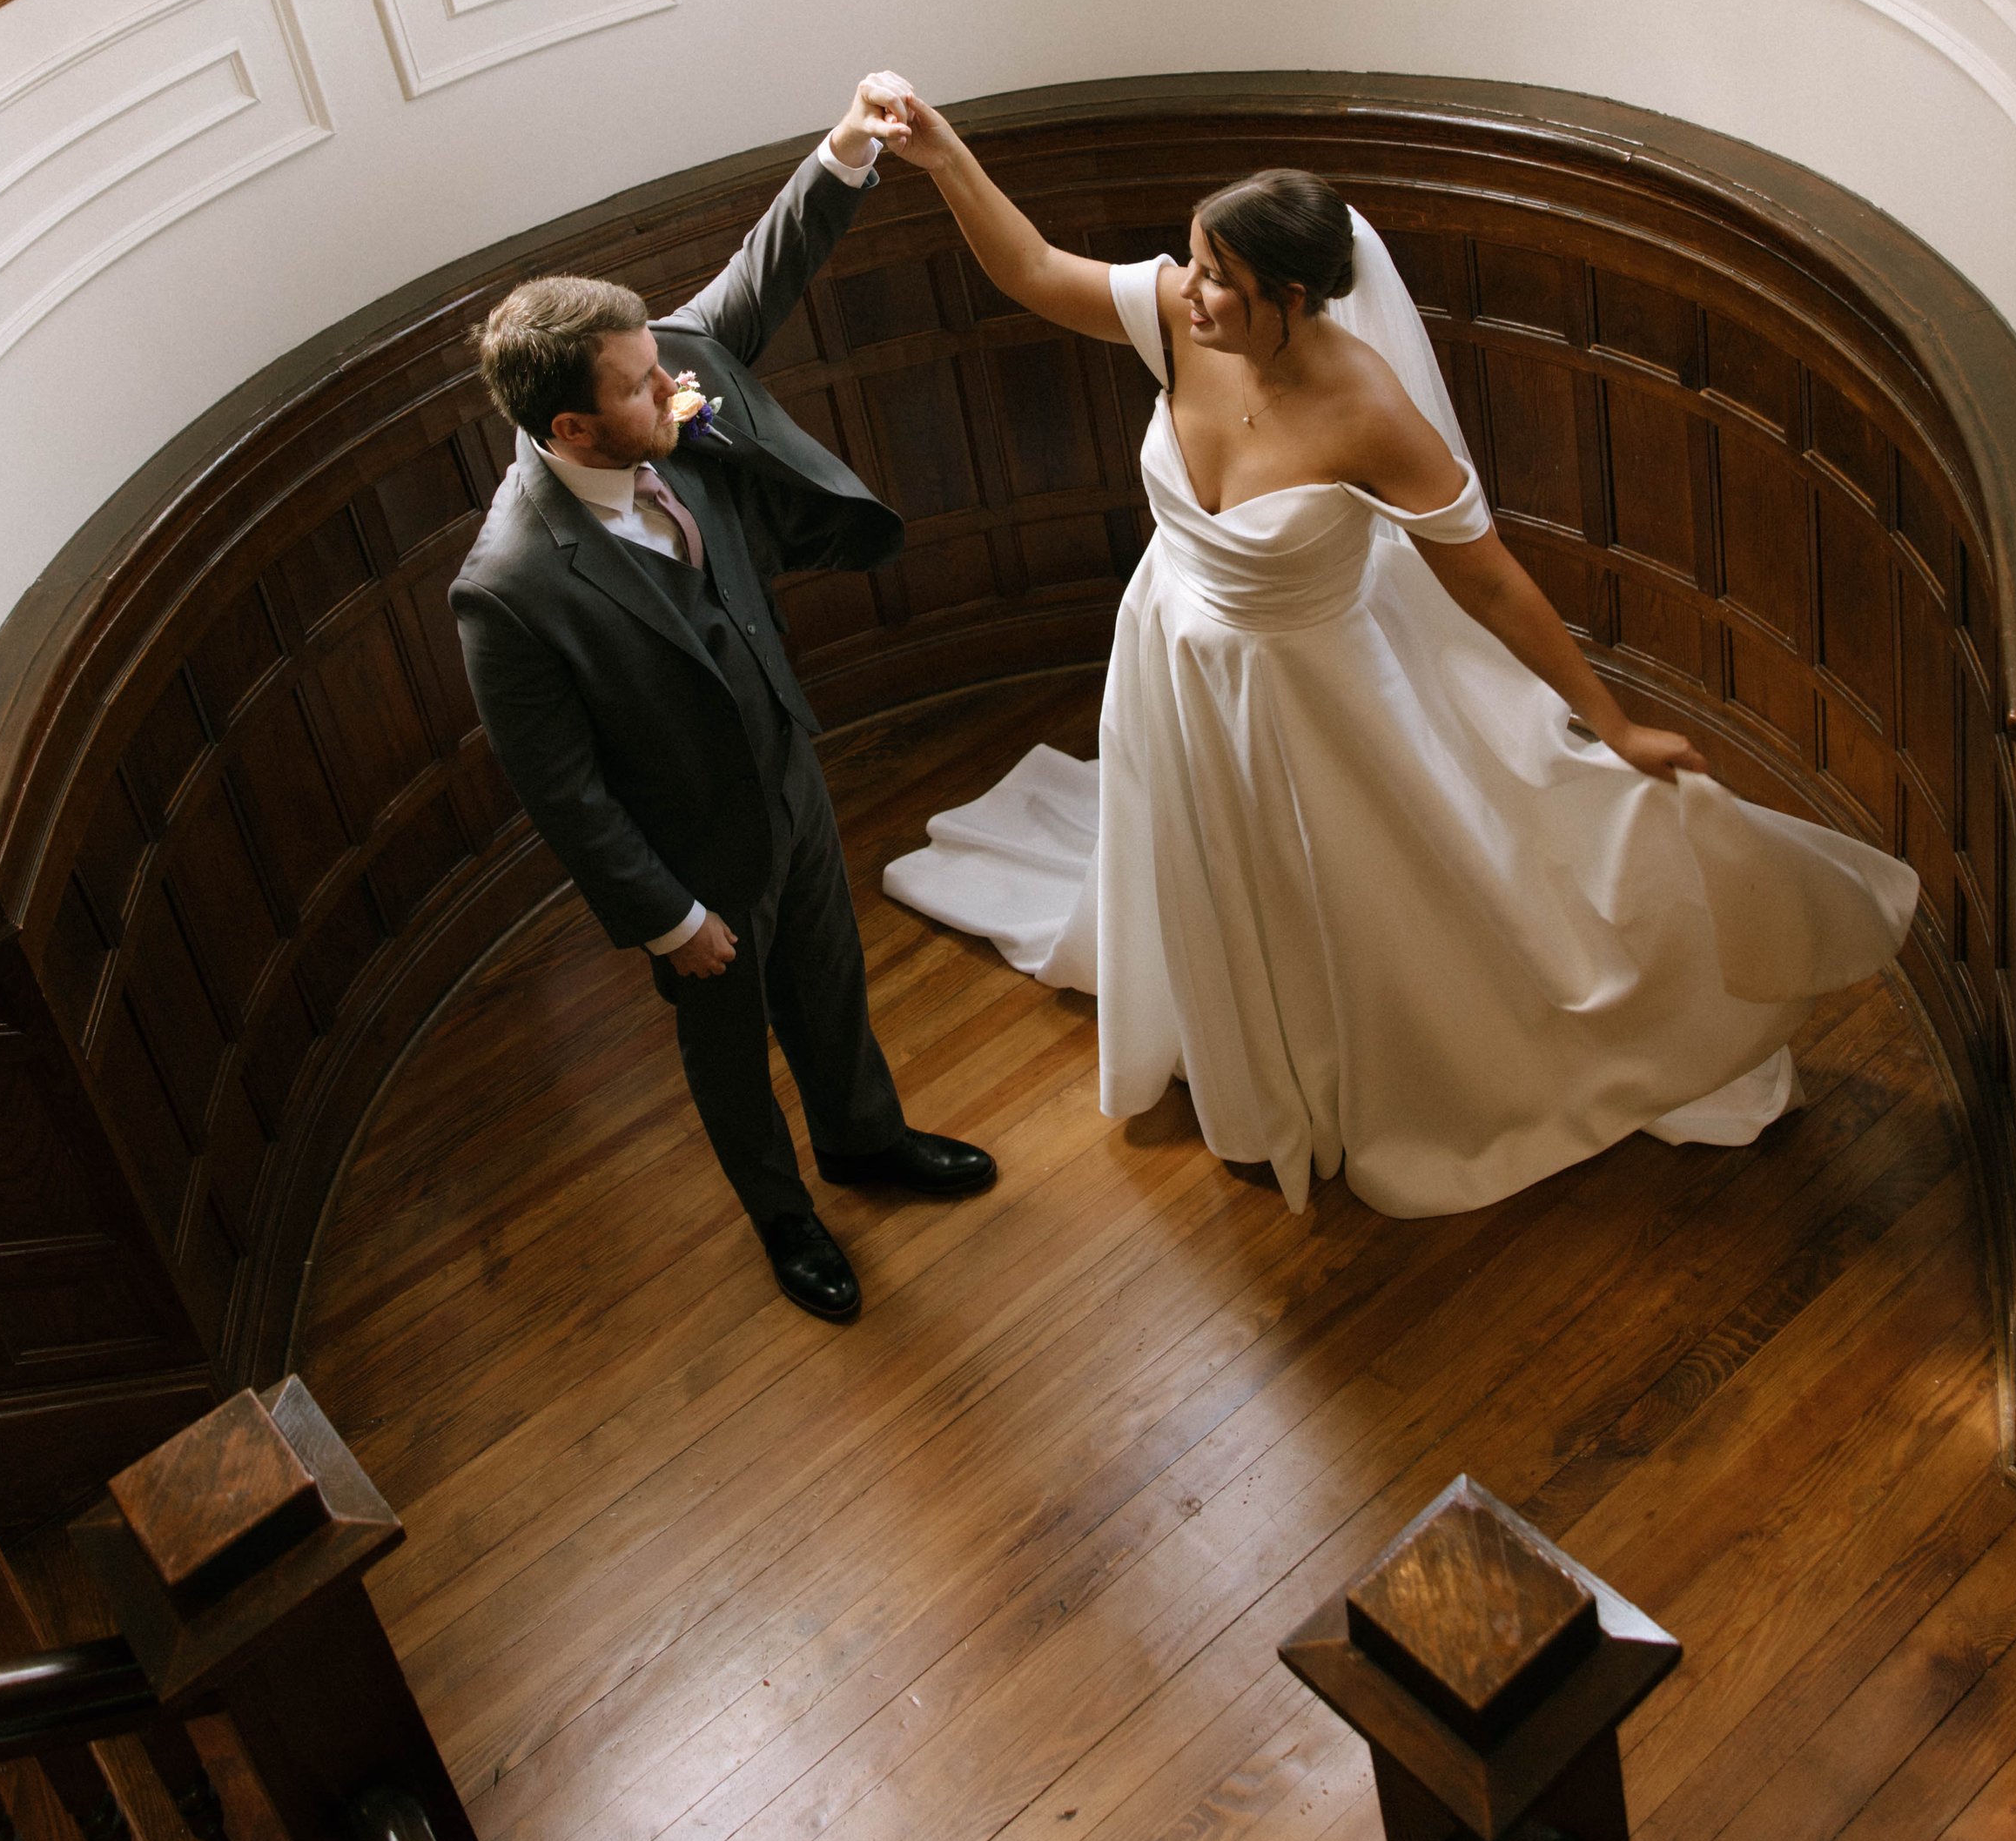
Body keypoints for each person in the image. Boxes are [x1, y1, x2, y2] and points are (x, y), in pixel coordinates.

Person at [879, 100, 1917, 1219]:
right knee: (1211, 864)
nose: (1189, 286)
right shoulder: (1184, 316)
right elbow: (1032, 268)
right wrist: (946, 161)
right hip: (1171, 666)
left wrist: (1609, 721)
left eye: (1220, 275)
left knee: (1336, 893)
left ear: (1294, 298)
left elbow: (1488, 577)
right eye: (1190, 260)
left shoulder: (1369, 411)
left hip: (1307, 704)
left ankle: (1334, 1071)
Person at [451, 77, 996, 1323]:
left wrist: (851, 146)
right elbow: (565, 791)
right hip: (690, 858)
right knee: (731, 1056)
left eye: (663, 366)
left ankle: (865, 1142)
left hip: (789, 774)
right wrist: (666, 916)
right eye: (646, 390)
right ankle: (786, 1217)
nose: (679, 390)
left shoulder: (659, 372)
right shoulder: (510, 586)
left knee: (832, 977)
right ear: (577, 428)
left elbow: (757, 280)